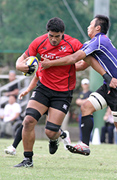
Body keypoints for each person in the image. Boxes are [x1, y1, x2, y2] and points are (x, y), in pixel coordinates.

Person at [41, 15, 117, 171]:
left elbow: (73, 58)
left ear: (98, 28)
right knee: (86, 106)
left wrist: (51, 63)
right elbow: (81, 65)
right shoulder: (93, 43)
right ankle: (85, 144)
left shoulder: (100, 40)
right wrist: (55, 68)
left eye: (91, 24)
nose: (88, 27)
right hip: (108, 86)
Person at [14, 17, 81, 167]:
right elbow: (22, 58)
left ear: (63, 33)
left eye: (57, 36)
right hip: (43, 88)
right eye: (51, 36)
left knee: (50, 132)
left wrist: (67, 64)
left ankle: (57, 136)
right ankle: (27, 160)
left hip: (63, 92)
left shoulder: (73, 43)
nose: (54, 39)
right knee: (28, 121)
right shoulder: (39, 42)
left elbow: (84, 61)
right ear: (47, 33)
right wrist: (20, 66)